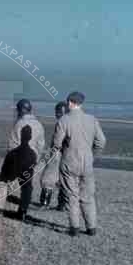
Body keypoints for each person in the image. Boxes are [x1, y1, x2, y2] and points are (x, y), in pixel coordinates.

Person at [52, 91, 106, 237]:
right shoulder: (92, 119)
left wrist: (61, 150)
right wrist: (91, 155)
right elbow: (101, 142)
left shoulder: (64, 120)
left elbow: (56, 144)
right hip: (87, 163)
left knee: (72, 196)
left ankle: (74, 228)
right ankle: (91, 228)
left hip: (69, 161)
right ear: (81, 103)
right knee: (88, 196)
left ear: (70, 102)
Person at [0, 99, 45, 221]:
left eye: (18, 110)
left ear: (21, 110)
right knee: (27, 186)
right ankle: (22, 212)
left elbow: (12, 145)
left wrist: (8, 162)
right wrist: (36, 159)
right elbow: (41, 145)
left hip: (17, 159)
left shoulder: (19, 124)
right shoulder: (39, 124)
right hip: (31, 159)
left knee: (2, 182)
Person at [39, 101, 68, 210]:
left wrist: (49, 154)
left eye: (58, 112)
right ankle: (62, 205)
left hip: (57, 154)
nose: (57, 114)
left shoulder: (61, 123)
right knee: (64, 180)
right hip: (69, 155)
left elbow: (57, 142)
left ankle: (45, 203)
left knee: (47, 179)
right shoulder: (73, 123)